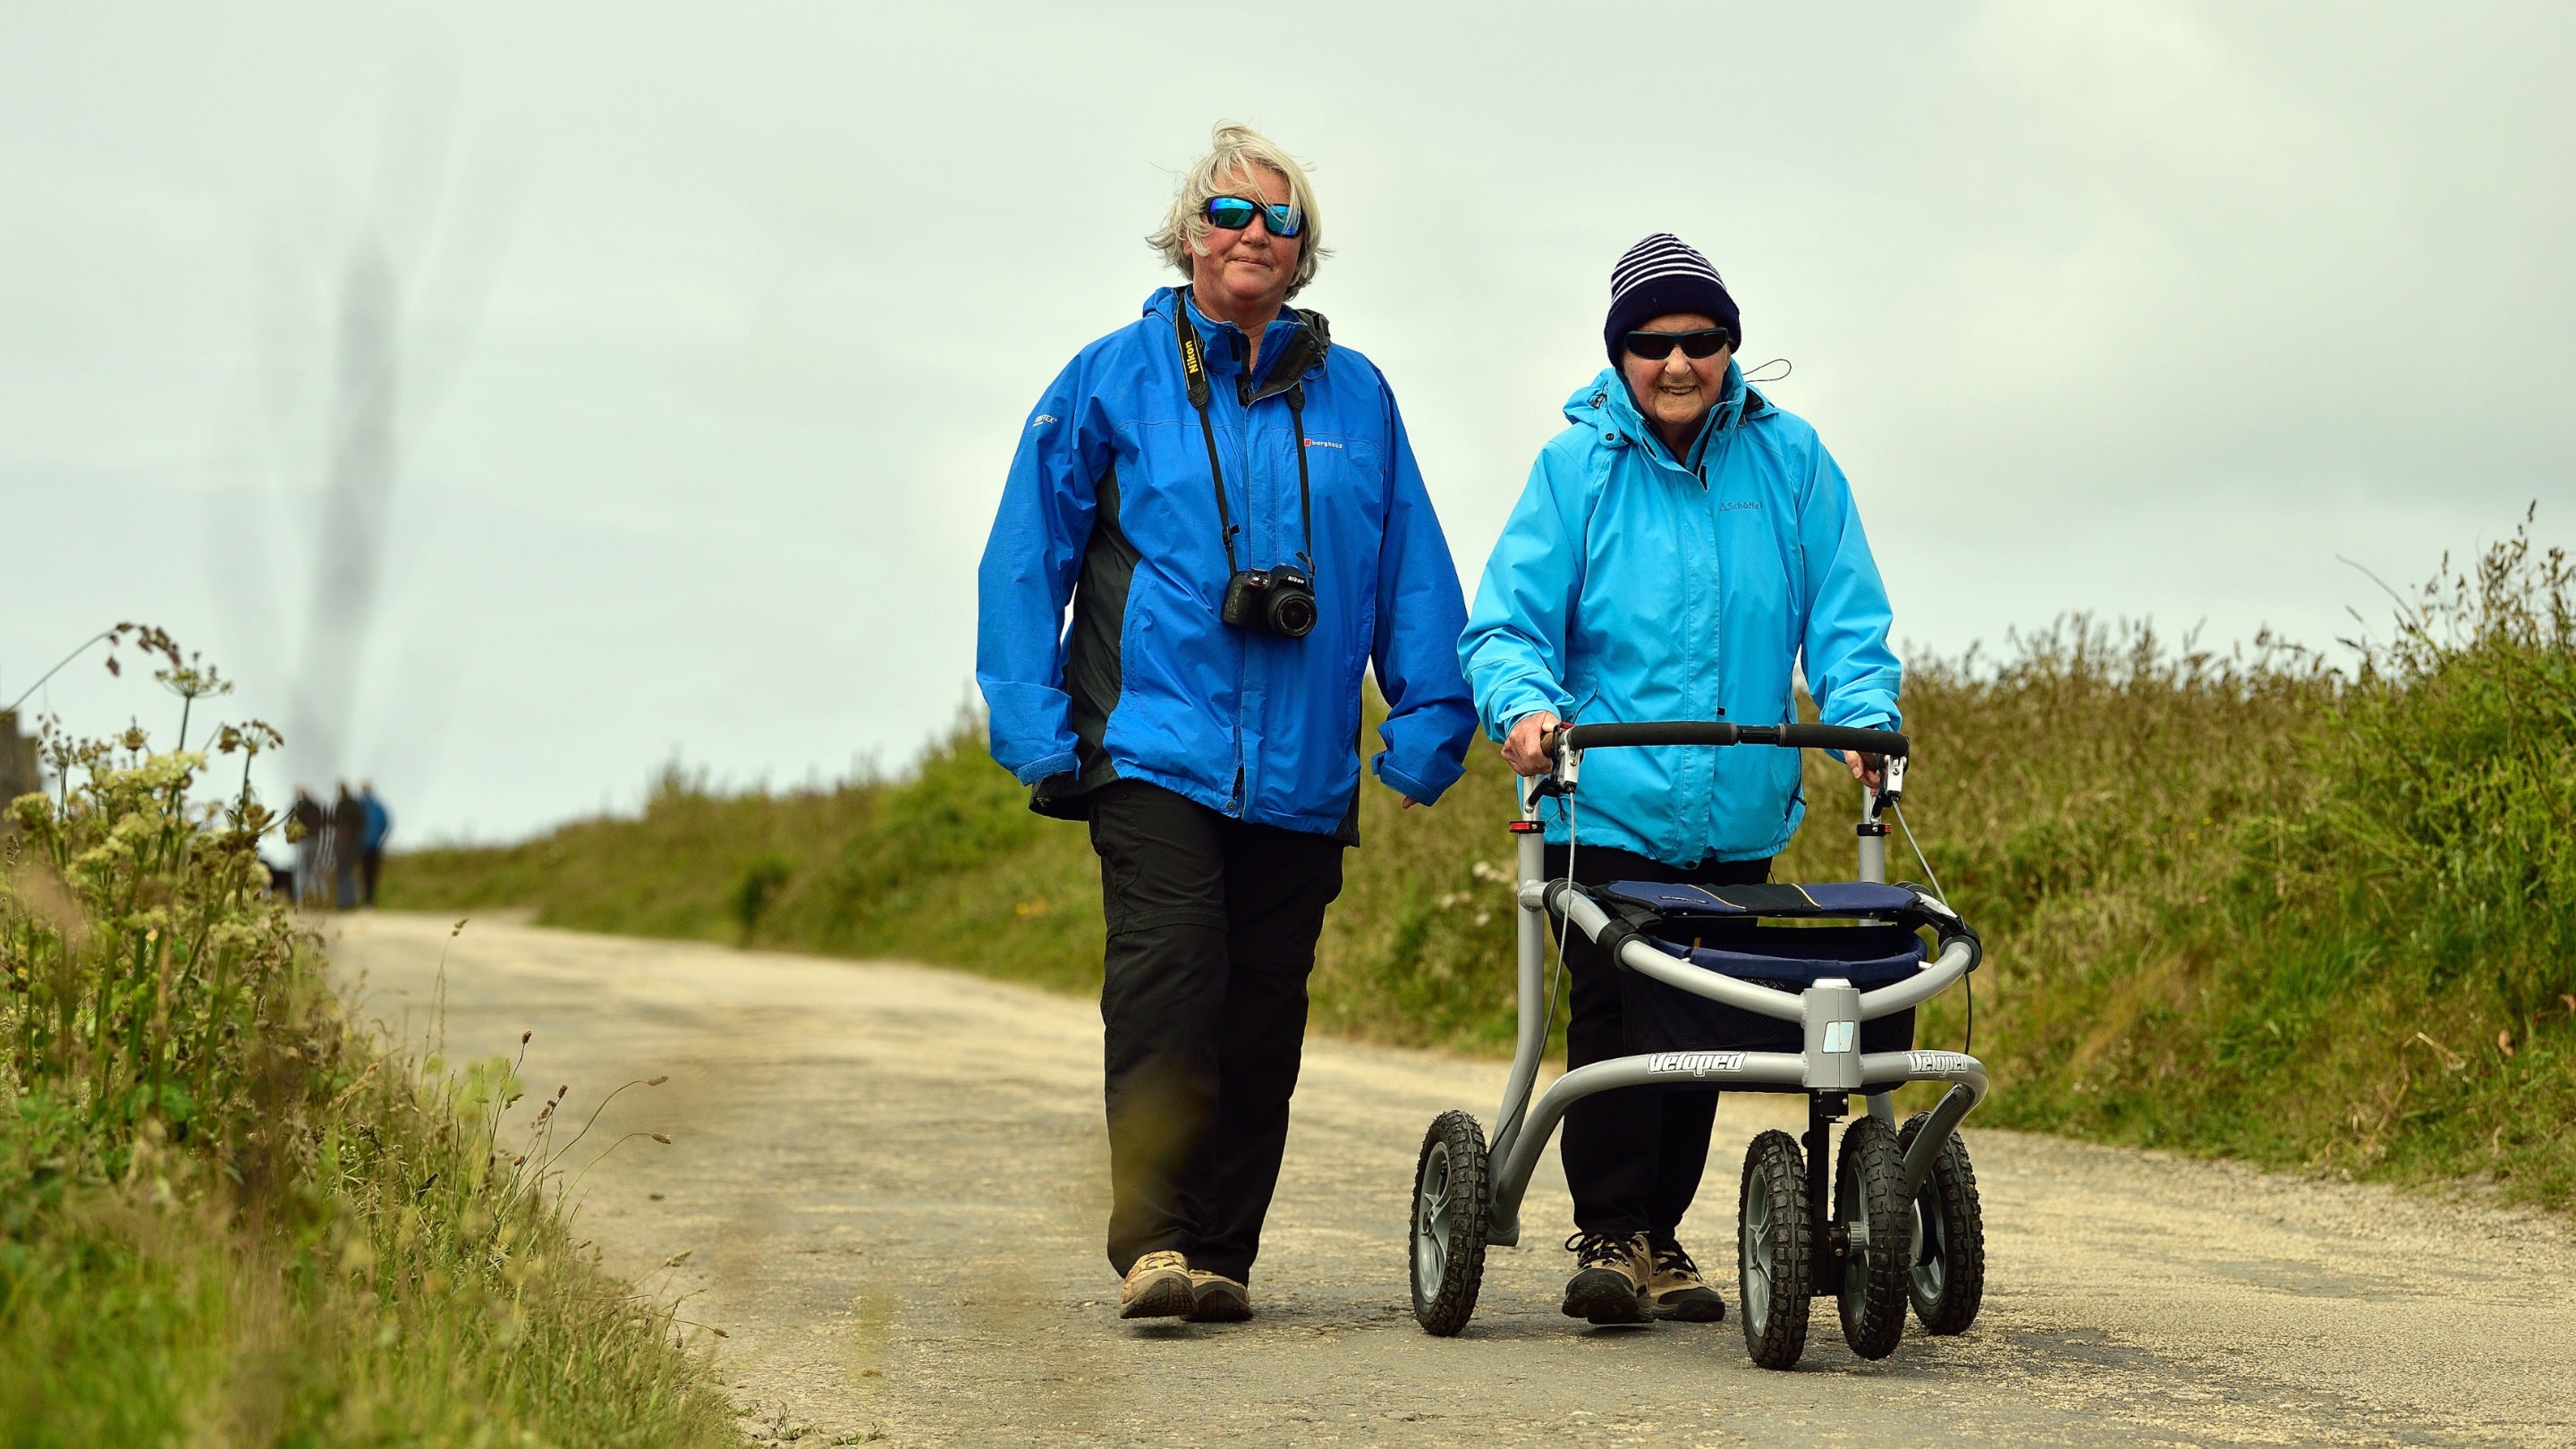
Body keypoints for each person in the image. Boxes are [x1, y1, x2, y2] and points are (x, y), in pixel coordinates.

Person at [978, 123, 1478, 1324]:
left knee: (1262, 1014)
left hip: (1302, 762)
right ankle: (1154, 1243)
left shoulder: (1358, 397)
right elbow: (1025, 555)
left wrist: (1430, 720)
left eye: (1277, 218)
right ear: (1188, 236)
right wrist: (1035, 720)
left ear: (1303, 250)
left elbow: (1409, 566)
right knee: (1170, 982)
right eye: (1227, 213)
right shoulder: (1108, 378)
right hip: (1154, 741)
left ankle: (1223, 1255)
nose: (1251, 234)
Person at [1458, 233, 1902, 1327]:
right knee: (1619, 1010)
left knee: (1704, 1027)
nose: (1676, 363)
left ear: (1729, 347)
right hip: (1605, 802)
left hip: (1739, 805)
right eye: (1651, 344)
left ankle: (1659, 1233)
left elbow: (1846, 618)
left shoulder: (1791, 462)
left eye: (1699, 341)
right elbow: (1507, 625)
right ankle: (1611, 1232)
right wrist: (1524, 707)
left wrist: (1862, 716)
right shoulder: (1577, 469)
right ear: (1618, 356)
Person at [330, 783, 367, 911]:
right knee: (350, 872)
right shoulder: (355, 806)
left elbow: (334, 823)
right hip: (354, 844)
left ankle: (343, 901)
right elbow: (361, 823)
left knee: (342, 873)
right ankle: (352, 900)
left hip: (342, 843)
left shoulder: (341, 805)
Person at [288, 786, 326, 908]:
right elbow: (322, 823)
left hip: (302, 841)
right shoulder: (316, 807)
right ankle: (319, 894)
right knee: (313, 868)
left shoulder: (297, 808)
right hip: (315, 840)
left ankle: (300, 897)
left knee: (299, 869)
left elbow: (291, 824)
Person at [358, 780, 392, 906]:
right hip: (376, 845)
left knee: (364, 873)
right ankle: (370, 900)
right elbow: (386, 824)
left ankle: (366, 900)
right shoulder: (378, 806)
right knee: (373, 873)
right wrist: (380, 839)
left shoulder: (359, 805)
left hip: (363, 844)